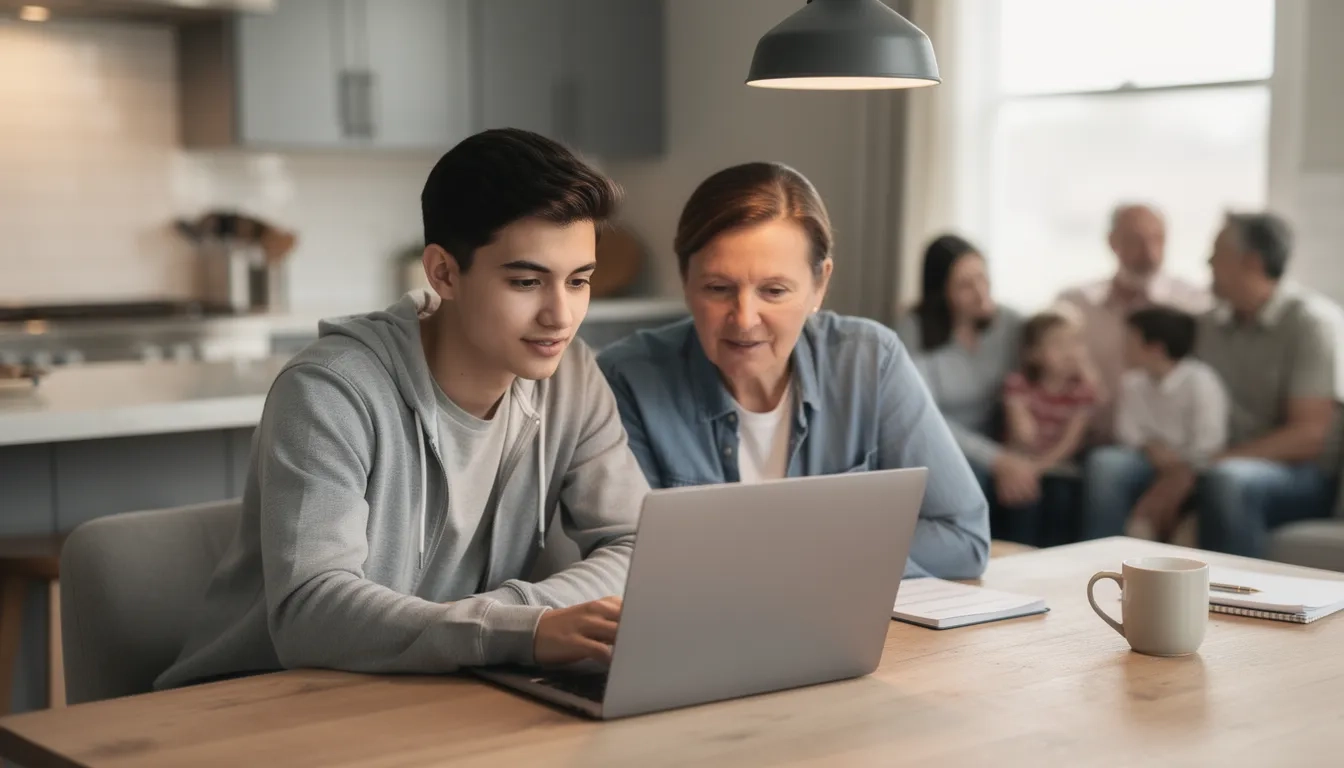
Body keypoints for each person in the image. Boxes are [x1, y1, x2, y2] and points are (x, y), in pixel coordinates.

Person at [156, 128, 649, 690]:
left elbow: (636, 546)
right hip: (262, 701)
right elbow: (310, 611)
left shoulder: (573, 376)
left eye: (578, 281)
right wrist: (520, 630)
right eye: (526, 281)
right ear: (442, 272)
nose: (560, 316)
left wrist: (519, 622)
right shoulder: (330, 390)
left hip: (444, 689)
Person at [597, 162, 989, 580]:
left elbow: (963, 537)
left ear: (819, 285)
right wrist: (837, 552)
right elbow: (639, 565)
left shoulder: (869, 361)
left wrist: (793, 557)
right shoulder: (626, 379)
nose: (745, 318)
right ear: (685, 279)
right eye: (718, 288)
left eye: (774, 290)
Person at [1083, 212, 1341, 557]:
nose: (1207, 262)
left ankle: (1233, 604)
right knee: (1108, 465)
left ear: (1249, 262)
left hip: (1292, 474)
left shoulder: (1311, 325)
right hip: (1207, 456)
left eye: (1216, 254)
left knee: (1229, 480)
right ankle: (1098, 575)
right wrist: (1169, 455)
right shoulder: (1208, 324)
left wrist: (1197, 468)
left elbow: (1309, 437)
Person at [895, 236, 1034, 509]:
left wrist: (1014, 455)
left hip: (998, 440)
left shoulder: (1010, 323)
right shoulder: (914, 330)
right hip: (936, 443)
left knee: (1032, 484)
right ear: (941, 291)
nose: (981, 293)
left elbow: (1028, 387)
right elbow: (925, 415)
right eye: (965, 285)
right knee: (971, 477)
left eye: (983, 278)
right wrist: (997, 459)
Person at [1056, 204, 1212, 445]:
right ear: (1112, 242)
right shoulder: (1074, 306)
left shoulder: (1193, 306)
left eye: (1158, 240)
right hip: (1085, 439)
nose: (1150, 254)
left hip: (1166, 447)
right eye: (1137, 241)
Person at [1114, 307, 1229, 541]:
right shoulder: (1132, 383)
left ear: (1156, 348)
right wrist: (1151, 447)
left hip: (1193, 468)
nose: (1123, 348)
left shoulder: (1201, 381)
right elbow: (1126, 431)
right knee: (1107, 462)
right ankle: (1103, 546)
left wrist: (1176, 473)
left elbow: (1209, 443)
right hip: (1147, 459)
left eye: (1130, 341)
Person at [996, 311, 1099, 544]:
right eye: (1058, 344)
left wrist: (1038, 468)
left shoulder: (1081, 392)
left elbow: (1070, 443)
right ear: (1033, 354)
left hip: (1057, 467)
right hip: (1020, 462)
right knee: (1022, 498)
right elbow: (1022, 437)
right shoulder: (1018, 385)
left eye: (1076, 343)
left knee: (1060, 497)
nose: (1070, 351)